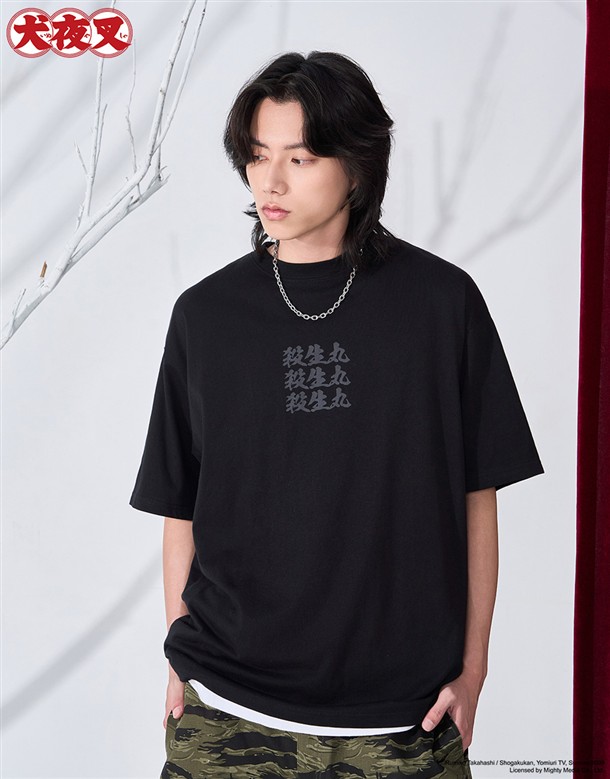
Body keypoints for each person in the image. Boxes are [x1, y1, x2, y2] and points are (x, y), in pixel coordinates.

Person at [129, 50, 544, 778]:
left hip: (404, 721)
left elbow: (477, 496)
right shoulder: (206, 315)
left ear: (357, 166)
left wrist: (474, 667)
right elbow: (181, 505)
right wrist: (181, 655)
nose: (270, 180)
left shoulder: (442, 304)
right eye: (257, 154)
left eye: (300, 157)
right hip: (227, 709)